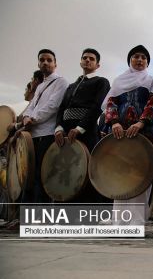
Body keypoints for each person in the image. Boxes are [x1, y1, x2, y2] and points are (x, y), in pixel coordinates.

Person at [102, 45, 153, 224]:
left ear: (147, 62)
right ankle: (118, 220)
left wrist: (141, 123)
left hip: (143, 133)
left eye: (143, 57)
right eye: (136, 56)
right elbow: (111, 103)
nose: (139, 60)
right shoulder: (119, 81)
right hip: (120, 134)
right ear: (130, 60)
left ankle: (136, 221)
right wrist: (115, 123)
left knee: (140, 175)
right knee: (120, 175)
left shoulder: (152, 81)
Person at [53, 48, 110, 203]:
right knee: (68, 171)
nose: (87, 60)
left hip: (88, 131)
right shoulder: (71, 86)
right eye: (84, 58)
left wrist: (79, 128)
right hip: (65, 134)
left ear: (97, 65)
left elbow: (97, 106)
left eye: (91, 59)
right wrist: (58, 128)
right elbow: (61, 108)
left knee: (87, 171)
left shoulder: (101, 82)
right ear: (80, 61)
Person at [21, 49, 69, 203]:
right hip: (32, 136)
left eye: (49, 60)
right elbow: (32, 106)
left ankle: (41, 217)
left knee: (43, 176)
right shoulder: (41, 86)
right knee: (29, 176)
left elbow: (53, 106)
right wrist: (26, 117)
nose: (45, 63)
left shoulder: (61, 81)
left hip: (47, 134)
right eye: (42, 60)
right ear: (38, 63)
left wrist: (32, 119)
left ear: (55, 64)